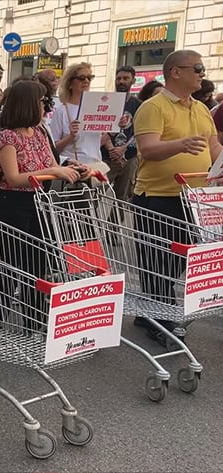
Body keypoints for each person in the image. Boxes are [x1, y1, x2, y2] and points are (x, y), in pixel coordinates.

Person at [132, 50, 222, 345]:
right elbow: (148, 149)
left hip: (193, 198)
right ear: (175, 72)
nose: (202, 73)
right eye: (196, 68)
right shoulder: (153, 107)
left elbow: (213, 149)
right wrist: (180, 144)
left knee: (179, 259)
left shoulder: (201, 109)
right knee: (156, 259)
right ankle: (158, 317)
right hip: (158, 195)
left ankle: (151, 309)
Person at [0, 80, 86, 328]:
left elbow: (52, 164)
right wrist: (53, 170)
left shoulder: (40, 132)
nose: (46, 106)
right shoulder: (7, 138)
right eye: (43, 102)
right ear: (29, 104)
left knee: (37, 261)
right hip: (10, 203)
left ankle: (35, 319)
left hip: (37, 202)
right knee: (9, 261)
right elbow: (13, 178)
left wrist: (70, 169)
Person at [50, 63, 104, 167]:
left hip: (95, 167)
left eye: (89, 77)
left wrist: (115, 127)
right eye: (81, 78)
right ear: (70, 83)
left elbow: (96, 142)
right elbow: (52, 149)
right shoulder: (62, 111)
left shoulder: (96, 109)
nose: (86, 81)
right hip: (73, 169)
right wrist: (70, 136)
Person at [102, 65, 143, 202]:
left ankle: (114, 223)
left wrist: (123, 148)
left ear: (133, 80)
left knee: (122, 196)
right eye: (119, 78)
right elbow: (102, 126)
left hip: (129, 155)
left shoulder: (139, 105)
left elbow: (140, 131)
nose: (121, 81)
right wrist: (112, 149)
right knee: (96, 191)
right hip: (106, 156)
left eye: (126, 78)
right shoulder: (106, 101)